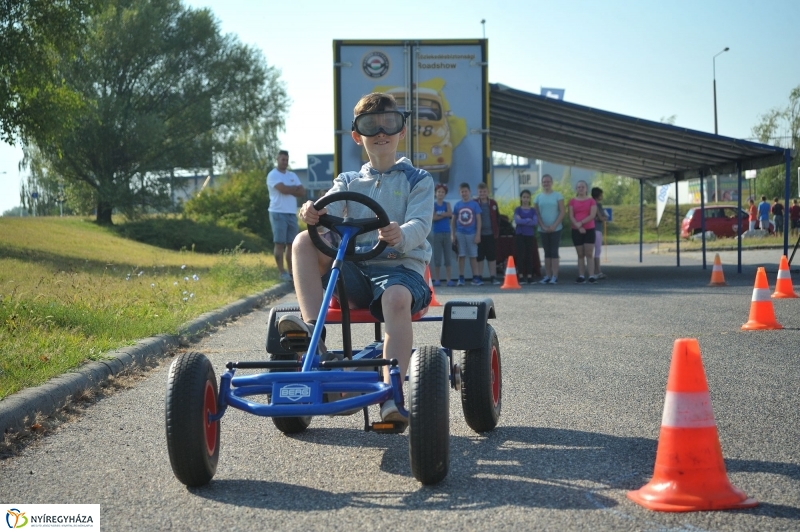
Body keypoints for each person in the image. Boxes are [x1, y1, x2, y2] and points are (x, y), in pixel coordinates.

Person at [277, 92, 434, 430]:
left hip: (401, 272)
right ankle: (312, 337)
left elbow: (420, 225)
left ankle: (392, 394)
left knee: (394, 298)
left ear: (401, 131)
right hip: (357, 273)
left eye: (389, 124)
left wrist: (400, 233)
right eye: (370, 126)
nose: (380, 133)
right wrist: (312, 212)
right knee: (304, 240)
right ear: (357, 135)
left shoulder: (418, 179)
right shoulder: (348, 181)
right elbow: (327, 213)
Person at [267, 150, 305, 282]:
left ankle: (291, 272)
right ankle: (281, 272)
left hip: (290, 212)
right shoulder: (273, 175)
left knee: (291, 244)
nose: (285, 162)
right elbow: (282, 189)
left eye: (286, 160)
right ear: (277, 159)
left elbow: (302, 191)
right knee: (279, 243)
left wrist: (289, 189)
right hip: (278, 212)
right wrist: (293, 189)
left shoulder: (292, 175)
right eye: (282, 159)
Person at [535, 174, 565, 284]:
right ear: (542, 183)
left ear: (551, 183)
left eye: (548, 181)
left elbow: (562, 212)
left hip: (556, 229)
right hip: (542, 229)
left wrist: (554, 225)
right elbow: (536, 213)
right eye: (544, 182)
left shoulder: (558, 195)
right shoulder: (538, 197)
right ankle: (548, 275)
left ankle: (555, 276)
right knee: (546, 252)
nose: (546, 183)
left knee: (554, 252)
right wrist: (542, 226)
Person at [451, 182, 483, 286]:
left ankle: (476, 277)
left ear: (469, 192)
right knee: (461, 256)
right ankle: (461, 278)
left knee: (473, 256)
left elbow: (479, 220)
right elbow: (453, 220)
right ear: (459, 193)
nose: (464, 193)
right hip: (460, 233)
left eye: (466, 191)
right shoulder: (457, 205)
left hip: (472, 234)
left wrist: (478, 234)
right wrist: (453, 234)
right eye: (462, 192)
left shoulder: (475, 204)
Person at [568, 180, 598, 283]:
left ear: (586, 188)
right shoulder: (572, 201)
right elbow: (571, 215)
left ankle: (591, 276)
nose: (581, 189)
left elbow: (592, 215)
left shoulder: (591, 201)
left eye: (583, 187)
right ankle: (581, 275)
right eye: (579, 187)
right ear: (576, 189)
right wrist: (577, 225)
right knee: (580, 254)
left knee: (589, 253)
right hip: (576, 229)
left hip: (589, 228)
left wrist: (581, 223)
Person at [475, 182, 501, 285]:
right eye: (480, 191)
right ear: (477, 192)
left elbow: (498, 217)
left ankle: (493, 276)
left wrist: (497, 230)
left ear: (488, 192)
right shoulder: (475, 203)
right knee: (480, 257)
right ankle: (479, 276)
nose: (482, 193)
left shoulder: (493, 203)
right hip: (479, 235)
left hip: (491, 234)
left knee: (492, 257)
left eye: (484, 191)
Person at [431, 184, 455, 286]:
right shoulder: (433, 205)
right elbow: (433, 218)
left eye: (442, 192)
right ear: (435, 194)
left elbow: (450, 214)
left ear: (445, 194)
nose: (440, 194)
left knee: (448, 258)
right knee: (437, 258)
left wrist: (440, 214)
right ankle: (437, 279)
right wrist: (444, 214)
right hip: (437, 233)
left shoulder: (447, 204)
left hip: (447, 233)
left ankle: (448, 279)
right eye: (439, 192)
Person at [513, 189, 538, 284]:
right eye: (524, 197)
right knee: (520, 255)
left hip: (529, 235)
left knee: (529, 255)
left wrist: (523, 220)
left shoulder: (533, 210)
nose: (525, 199)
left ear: (530, 198)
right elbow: (517, 221)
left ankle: (529, 276)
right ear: (521, 198)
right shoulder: (518, 209)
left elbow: (535, 222)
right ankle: (521, 276)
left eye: (527, 197)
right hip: (520, 235)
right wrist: (528, 219)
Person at [591, 187, 608, 280]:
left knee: (594, 251)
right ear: (598, 195)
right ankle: (597, 271)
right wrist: (602, 218)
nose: (602, 196)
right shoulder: (597, 205)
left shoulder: (593, 204)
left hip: (594, 229)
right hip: (596, 229)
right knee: (597, 251)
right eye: (601, 194)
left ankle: (596, 270)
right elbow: (601, 218)